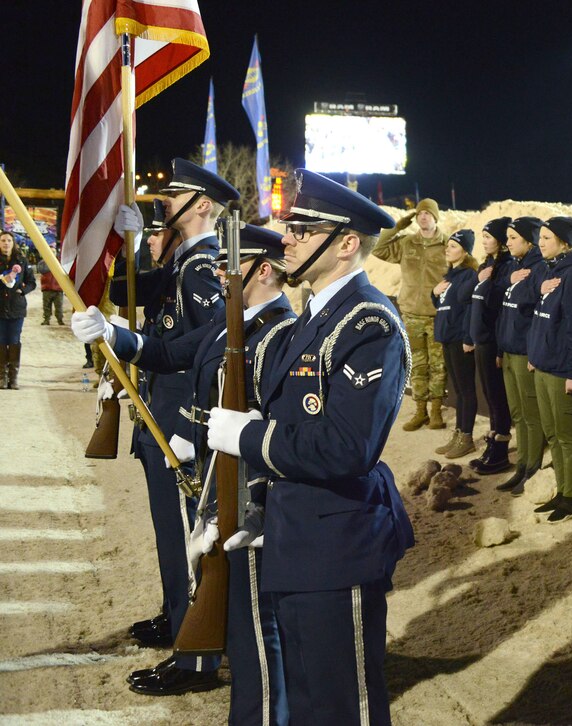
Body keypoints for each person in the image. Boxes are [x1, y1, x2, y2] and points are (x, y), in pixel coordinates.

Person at [206, 169, 414, 726]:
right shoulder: (311, 322)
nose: (286, 238)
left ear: (347, 243)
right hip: (292, 535)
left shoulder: (369, 323)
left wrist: (246, 436)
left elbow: (348, 447)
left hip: (335, 541)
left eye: (302, 227)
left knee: (341, 705)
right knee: (303, 700)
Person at [72, 224, 292, 720]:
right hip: (212, 465)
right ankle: (207, 653)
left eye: (228, 265)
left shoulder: (277, 329)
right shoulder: (233, 319)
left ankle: (208, 664)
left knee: (240, 592)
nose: (218, 271)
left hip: (238, 479)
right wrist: (113, 335)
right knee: (210, 571)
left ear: (261, 270)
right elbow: (173, 353)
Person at [108, 158, 239, 693]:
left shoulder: (205, 266)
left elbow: (210, 354)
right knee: (170, 534)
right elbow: (127, 294)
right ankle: (174, 612)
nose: (163, 199)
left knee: (189, 537)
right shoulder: (182, 262)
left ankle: (197, 653)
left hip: (179, 428)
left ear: (203, 204)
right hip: (159, 417)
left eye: (176, 194)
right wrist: (134, 244)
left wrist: (189, 426)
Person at [526, 216, 572, 523]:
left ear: (564, 243)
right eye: (540, 238)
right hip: (543, 366)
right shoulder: (547, 271)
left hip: (561, 371)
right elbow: (539, 318)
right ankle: (561, 490)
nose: (540, 243)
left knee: (566, 436)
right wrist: (535, 355)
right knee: (552, 435)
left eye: (547, 238)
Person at [373, 198, 448, 431]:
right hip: (412, 314)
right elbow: (378, 247)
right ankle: (420, 411)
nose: (422, 217)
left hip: (436, 314)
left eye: (427, 213)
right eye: (419, 214)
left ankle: (436, 410)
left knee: (438, 365)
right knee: (417, 364)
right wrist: (399, 225)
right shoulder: (407, 242)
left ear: (435, 217)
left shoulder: (447, 244)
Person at [494, 217, 546, 496]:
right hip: (509, 352)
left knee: (530, 415)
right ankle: (521, 466)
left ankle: (532, 468)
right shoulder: (515, 267)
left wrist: (534, 353)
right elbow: (506, 309)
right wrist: (501, 349)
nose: (508, 242)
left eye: (514, 237)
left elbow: (537, 317)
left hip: (526, 352)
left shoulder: (538, 269)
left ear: (529, 240)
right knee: (517, 414)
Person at [467, 217, 515, 474]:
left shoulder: (506, 267)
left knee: (497, 397)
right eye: (482, 236)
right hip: (481, 339)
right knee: (489, 394)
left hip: (493, 339)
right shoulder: (486, 265)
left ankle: (500, 451)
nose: (483, 241)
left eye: (488, 236)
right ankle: (493, 444)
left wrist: (488, 282)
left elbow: (498, 305)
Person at [432, 229, 480, 459]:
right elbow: (442, 302)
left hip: (460, 340)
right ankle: (459, 432)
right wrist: (435, 291)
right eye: (448, 245)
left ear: (465, 250)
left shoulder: (469, 275)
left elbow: (470, 308)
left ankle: (466, 437)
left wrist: (468, 338)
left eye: (453, 246)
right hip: (448, 338)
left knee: (466, 390)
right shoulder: (450, 276)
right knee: (458, 391)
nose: (447, 249)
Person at [0, 230, 35, 389]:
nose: (6, 243)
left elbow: (31, 282)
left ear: (13, 243)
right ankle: (1, 377)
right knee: (0, 341)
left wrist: (23, 291)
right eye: (3, 241)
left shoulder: (21, 260)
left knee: (14, 341)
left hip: (16, 308)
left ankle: (13, 378)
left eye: (8, 240)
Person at [37, 245, 64, 325]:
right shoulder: (42, 262)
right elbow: (42, 270)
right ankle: (46, 319)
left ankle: (60, 320)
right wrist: (51, 263)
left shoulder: (61, 262)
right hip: (47, 288)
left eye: (54, 252)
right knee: (46, 306)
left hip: (58, 289)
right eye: (50, 252)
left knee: (59, 306)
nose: (52, 253)